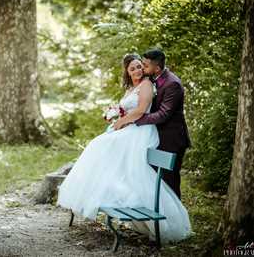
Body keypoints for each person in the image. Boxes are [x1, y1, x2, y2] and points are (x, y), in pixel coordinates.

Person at [57, 53, 191, 243]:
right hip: (131, 126)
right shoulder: (131, 87)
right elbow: (128, 109)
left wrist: (121, 121)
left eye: (140, 66)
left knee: (103, 147)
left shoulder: (146, 84)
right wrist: (116, 117)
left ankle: (158, 216)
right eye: (133, 68)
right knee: (101, 148)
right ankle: (107, 191)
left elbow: (141, 110)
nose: (138, 70)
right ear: (127, 73)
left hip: (140, 130)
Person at [131, 49, 191, 199]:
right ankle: (158, 215)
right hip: (156, 138)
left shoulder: (173, 84)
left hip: (172, 139)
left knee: (170, 183)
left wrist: (137, 120)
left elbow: (163, 114)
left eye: (145, 65)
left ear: (156, 68)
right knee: (155, 182)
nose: (142, 68)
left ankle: (175, 219)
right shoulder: (152, 79)